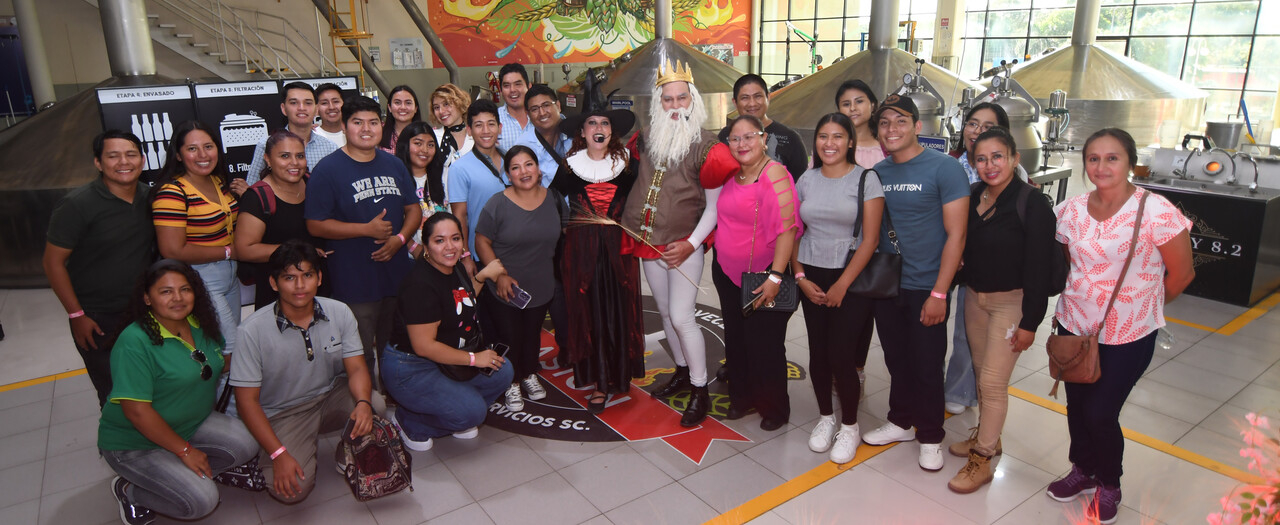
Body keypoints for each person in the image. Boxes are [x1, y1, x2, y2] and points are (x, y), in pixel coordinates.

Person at [1045, 128, 1193, 524]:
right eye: (1093, 158)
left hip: (1129, 333)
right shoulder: (1069, 211)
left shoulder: (1157, 212)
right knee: (1077, 408)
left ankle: (1110, 483)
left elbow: (1180, 275)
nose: (1102, 166)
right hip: (1074, 325)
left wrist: (1140, 308)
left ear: (1131, 162)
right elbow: (1068, 265)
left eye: (1112, 158)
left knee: (1100, 412)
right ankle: (1083, 470)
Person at [622, 59, 738, 427]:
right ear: (659, 103)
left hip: (684, 247)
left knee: (683, 316)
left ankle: (700, 389)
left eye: (681, 98)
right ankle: (684, 371)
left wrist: (691, 244)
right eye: (668, 99)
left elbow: (716, 207)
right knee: (666, 311)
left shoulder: (709, 148)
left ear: (694, 101)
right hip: (648, 245)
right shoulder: (646, 140)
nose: (675, 106)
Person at [98, 259, 258, 524]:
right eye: (166, 291)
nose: (178, 298)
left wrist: (257, 358)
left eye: (185, 289)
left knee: (247, 444)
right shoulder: (134, 342)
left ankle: (176, 473)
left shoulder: (198, 322)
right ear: (147, 298)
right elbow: (137, 413)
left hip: (190, 425)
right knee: (202, 501)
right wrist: (185, 451)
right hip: (135, 443)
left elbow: (212, 364)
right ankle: (131, 491)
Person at [859, 95, 969, 473]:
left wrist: (940, 292)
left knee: (926, 363)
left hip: (928, 285)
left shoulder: (944, 169)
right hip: (889, 285)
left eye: (900, 121)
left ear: (918, 127)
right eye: (885, 123)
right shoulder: (878, 174)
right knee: (895, 358)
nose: (892, 129)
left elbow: (957, 236)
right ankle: (901, 421)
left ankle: (931, 435)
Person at [946, 127, 1055, 493]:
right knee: (981, 373)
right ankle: (990, 435)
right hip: (976, 299)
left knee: (993, 383)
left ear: (1014, 159)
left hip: (1012, 303)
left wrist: (1030, 323)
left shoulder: (1032, 203)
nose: (989, 165)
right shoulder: (976, 194)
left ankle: (982, 459)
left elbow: (1040, 268)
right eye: (981, 158)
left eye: (997, 157)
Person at [231, 240, 377, 503]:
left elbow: (356, 367)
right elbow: (246, 402)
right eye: (289, 277)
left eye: (307, 275)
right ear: (274, 283)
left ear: (319, 278)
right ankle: (267, 453)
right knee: (292, 491)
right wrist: (279, 454)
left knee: (373, 402)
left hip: (329, 396)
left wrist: (364, 403)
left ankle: (344, 451)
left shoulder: (339, 311)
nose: (300, 286)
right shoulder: (251, 331)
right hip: (282, 413)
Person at [305, 95, 421, 390]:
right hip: (355, 279)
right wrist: (365, 229)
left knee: (395, 344)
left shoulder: (394, 164)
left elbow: (413, 209)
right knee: (360, 351)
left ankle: (397, 398)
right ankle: (367, 407)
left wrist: (400, 239)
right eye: (358, 123)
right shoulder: (328, 169)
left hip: (396, 275)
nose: (366, 129)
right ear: (345, 126)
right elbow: (315, 223)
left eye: (373, 122)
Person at [791, 113, 882, 463]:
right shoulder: (806, 179)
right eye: (823, 136)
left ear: (850, 142)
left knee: (842, 355)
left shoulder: (866, 180)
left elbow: (870, 239)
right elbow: (795, 232)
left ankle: (850, 425)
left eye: (838, 136)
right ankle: (826, 418)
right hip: (811, 273)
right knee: (818, 352)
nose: (830, 143)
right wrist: (800, 277)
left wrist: (844, 283)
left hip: (851, 276)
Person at [43, 130, 156, 406]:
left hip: (147, 311)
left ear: (142, 160)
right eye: (113, 156)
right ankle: (119, 448)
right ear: (98, 163)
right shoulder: (77, 204)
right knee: (115, 392)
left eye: (130, 154)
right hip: (98, 317)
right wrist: (76, 314)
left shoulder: (152, 198)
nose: (123, 162)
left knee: (154, 384)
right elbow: (52, 262)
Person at [383, 213, 513, 451]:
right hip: (411, 366)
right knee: (473, 413)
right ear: (426, 245)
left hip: (445, 357)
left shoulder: (455, 268)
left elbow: (459, 299)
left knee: (503, 372)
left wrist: (481, 277)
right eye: (439, 240)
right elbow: (424, 346)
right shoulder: (419, 285)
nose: (449, 247)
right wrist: (474, 359)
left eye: (455, 238)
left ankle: (452, 407)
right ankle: (410, 422)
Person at [943, 102, 1035, 417]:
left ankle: (964, 392)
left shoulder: (1017, 182)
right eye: (972, 123)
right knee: (949, 326)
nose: (977, 130)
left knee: (974, 342)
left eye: (987, 125)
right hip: (953, 261)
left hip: (992, 278)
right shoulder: (950, 164)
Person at [710, 115, 800, 431]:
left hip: (763, 277)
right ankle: (742, 398)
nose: (742, 144)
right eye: (735, 139)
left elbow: (788, 230)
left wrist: (775, 277)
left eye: (749, 136)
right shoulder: (730, 175)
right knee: (736, 340)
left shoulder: (774, 175)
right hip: (727, 273)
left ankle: (774, 408)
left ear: (763, 138)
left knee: (766, 345)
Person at [552, 104, 642, 414]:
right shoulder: (569, 166)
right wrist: (564, 233)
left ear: (612, 131)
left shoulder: (629, 166)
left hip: (618, 251)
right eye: (592, 123)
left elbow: (643, 203)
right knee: (590, 313)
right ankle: (599, 381)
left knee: (619, 309)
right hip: (582, 252)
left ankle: (618, 375)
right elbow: (550, 201)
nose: (598, 127)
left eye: (604, 122)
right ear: (582, 131)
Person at [475, 146, 566, 412]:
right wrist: (500, 274)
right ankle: (509, 381)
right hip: (505, 287)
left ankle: (527, 373)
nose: (523, 172)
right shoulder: (497, 204)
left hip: (541, 284)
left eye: (528, 165)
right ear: (508, 174)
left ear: (538, 170)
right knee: (508, 336)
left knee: (531, 335)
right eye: (515, 167)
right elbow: (481, 240)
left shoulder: (554, 199)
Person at [152, 120, 242, 358]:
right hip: (202, 277)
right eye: (192, 149)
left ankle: (229, 395)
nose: (203, 155)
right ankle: (231, 397)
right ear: (179, 155)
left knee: (226, 346)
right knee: (230, 349)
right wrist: (229, 251)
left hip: (231, 276)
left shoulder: (218, 182)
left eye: (208, 146)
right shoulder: (173, 192)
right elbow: (172, 249)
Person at [234, 130, 326, 309]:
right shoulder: (256, 197)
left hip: (319, 289)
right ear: (267, 159)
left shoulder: (313, 184)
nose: (294, 163)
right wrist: (299, 252)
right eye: (285, 156)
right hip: (278, 295)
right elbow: (245, 250)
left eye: (300, 156)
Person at [832, 79, 884, 391]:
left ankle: (857, 367)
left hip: (873, 246)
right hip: (835, 244)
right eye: (846, 103)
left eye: (859, 101)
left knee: (864, 312)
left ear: (872, 105)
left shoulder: (886, 149)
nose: (853, 108)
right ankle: (837, 364)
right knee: (838, 311)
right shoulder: (833, 144)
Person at [447, 98, 508, 276]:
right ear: (469, 131)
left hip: (515, 249)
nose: (486, 131)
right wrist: (465, 255)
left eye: (491, 124)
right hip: (481, 253)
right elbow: (459, 215)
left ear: (500, 127)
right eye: (479, 125)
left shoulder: (513, 160)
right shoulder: (459, 168)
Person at [241, 82, 338, 190]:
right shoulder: (266, 145)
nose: (301, 108)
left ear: (316, 109)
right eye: (294, 103)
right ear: (283, 108)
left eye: (308, 103)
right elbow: (253, 186)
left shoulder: (330, 148)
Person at [718, 74, 808, 181]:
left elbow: (800, 185)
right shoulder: (725, 136)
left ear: (768, 97)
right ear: (735, 102)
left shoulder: (790, 138)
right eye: (745, 98)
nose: (752, 103)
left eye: (758, 96)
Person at [395, 121, 448, 259]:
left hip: (443, 256)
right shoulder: (394, 179)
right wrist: (414, 248)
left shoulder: (444, 177)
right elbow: (393, 223)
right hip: (408, 258)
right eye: (418, 143)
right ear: (405, 146)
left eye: (430, 145)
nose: (424, 150)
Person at [515, 84, 572, 187]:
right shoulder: (524, 144)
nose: (542, 113)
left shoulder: (578, 133)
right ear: (528, 114)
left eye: (546, 105)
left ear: (558, 106)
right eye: (534, 109)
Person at [428, 83, 474, 200]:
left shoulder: (476, 135)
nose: (441, 111)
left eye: (446, 104)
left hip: (474, 202)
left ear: (459, 103)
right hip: (443, 205)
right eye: (436, 107)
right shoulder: (432, 138)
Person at [496, 63, 532, 152]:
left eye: (518, 84)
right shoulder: (494, 120)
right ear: (500, 90)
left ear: (529, 86)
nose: (512, 90)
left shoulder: (540, 116)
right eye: (506, 86)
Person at [379, 85, 422, 154]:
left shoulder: (426, 134)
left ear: (416, 108)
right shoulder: (379, 133)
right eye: (397, 103)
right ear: (389, 107)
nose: (403, 107)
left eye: (408, 103)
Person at [313, 83, 347, 147]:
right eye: (324, 103)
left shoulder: (354, 133)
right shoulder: (311, 136)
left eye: (336, 101)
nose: (331, 107)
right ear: (316, 108)